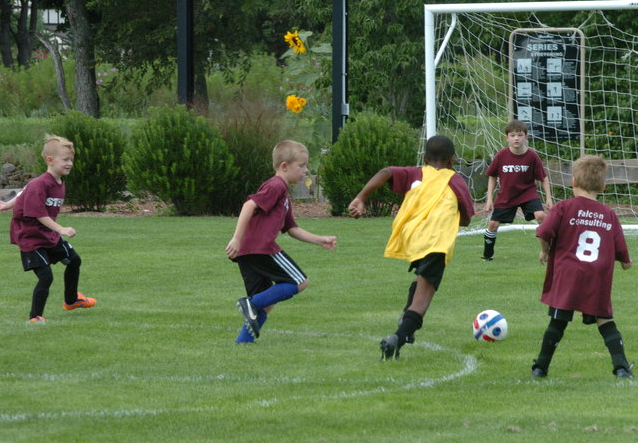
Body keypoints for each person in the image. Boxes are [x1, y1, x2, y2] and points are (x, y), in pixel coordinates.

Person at [348, 135, 474, 360]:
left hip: (413, 237)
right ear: (452, 160)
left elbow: (386, 171)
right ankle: (399, 336)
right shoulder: (455, 181)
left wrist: (361, 197)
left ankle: (405, 318)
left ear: (425, 158)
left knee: (420, 279)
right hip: (436, 242)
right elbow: (466, 220)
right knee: (423, 298)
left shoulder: (416, 174)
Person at [531, 155, 632, 378]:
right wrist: (626, 262)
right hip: (597, 276)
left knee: (558, 321)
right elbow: (621, 250)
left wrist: (545, 250)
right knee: (605, 320)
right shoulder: (609, 214)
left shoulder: (563, 207)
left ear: (574, 182)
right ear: (603, 187)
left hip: (568, 273)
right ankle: (621, 367)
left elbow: (543, 232)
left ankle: (540, 367)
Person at [225, 140, 336, 343]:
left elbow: (292, 229)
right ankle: (250, 304)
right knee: (299, 282)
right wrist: (236, 238)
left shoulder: (283, 192)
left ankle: (243, 342)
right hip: (261, 248)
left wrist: (319, 240)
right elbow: (249, 205)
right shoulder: (276, 185)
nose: (305, 170)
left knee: (266, 304)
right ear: (284, 166)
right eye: (301, 165)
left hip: (248, 252)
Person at [0, 135, 95, 322]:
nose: (70, 163)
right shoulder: (40, 183)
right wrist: (61, 229)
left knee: (74, 260)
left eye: (71, 159)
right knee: (46, 277)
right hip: (31, 239)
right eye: (65, 159)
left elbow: (24, 191)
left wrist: (6, 205)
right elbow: (39, 213)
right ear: (50, 160)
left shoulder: (58, 181)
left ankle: (71, 301)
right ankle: (35, 317)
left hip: (48, 235)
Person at [483, 120, 552, 260]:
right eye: (513, 135)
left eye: (520, 135)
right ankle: (487, 255)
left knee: (541, 216)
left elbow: (543, 178)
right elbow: (492, 176)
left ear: (526, 137)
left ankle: (550, 250)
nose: (516, 138)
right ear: (506, 138)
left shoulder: (532, 156)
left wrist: (549, 198)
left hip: (528, 194)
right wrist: (489, 199)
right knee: (493, 224)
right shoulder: (501, 155)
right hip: (506, 195)